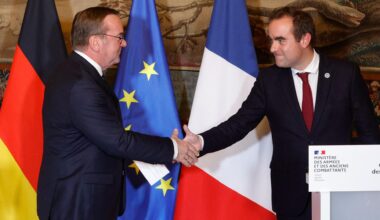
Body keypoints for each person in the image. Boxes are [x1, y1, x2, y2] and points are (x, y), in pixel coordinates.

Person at [182, 6, 380, 220]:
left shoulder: (346, 74)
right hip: (291, 196)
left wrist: (370, 184)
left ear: (304, 39)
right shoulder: (269, 80)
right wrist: (201, 142)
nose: (273, 48)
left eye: (281, 40)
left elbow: (369, 133)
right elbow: (238, 124)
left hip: (341, 194)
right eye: (271, 40)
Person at [37, 7, 198, 220]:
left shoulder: (78, 73)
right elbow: (118, 141)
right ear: (96, 42)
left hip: (83, 199)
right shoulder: (80, 84)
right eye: (119, 37)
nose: (124, 43)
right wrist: (174, 148)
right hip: (77, 203)